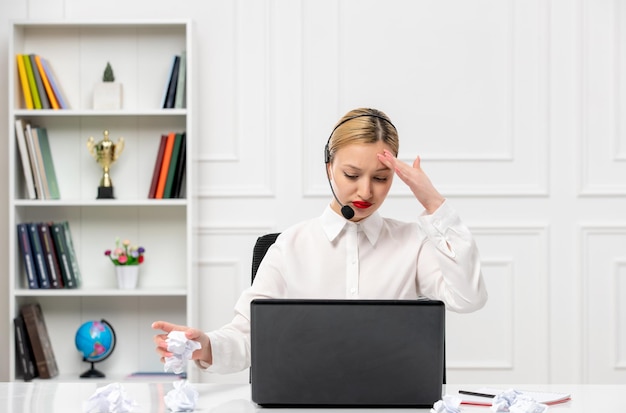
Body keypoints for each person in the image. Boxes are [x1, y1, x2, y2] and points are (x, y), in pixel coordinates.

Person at [153, 107, 488, 374]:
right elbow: (247, 335)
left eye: (382, 178)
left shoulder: (413, 243)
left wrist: (434, 205)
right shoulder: (289, 246)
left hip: (392, 406)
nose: (366, 191)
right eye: (352, 175)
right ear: (329, 167)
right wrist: (206, 345)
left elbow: (468, 298)